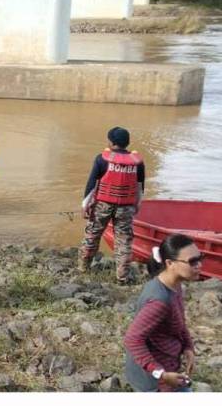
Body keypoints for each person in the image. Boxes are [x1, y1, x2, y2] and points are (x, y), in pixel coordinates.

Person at [124, 234, 201, 392]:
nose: (199, 265)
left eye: (200, 258)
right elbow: (132, 339)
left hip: (168, 366)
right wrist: (161, 374)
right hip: (154, 382)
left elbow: (179, 322)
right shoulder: (159, 301)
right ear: (170, 263)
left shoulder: (174, 285)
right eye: (192, 261)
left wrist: (188, 347)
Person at [78, 126, 145, 285]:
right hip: (126, 207)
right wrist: (138, 204)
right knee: (123, 241)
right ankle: (122, 277)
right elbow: (140, 186)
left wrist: (84, 205)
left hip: (103, 204)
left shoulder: (102, 159)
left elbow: (91, 184)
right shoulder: (138, 162)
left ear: (110, 141)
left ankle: (83, 268)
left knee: (92, 235)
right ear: (127, 142)